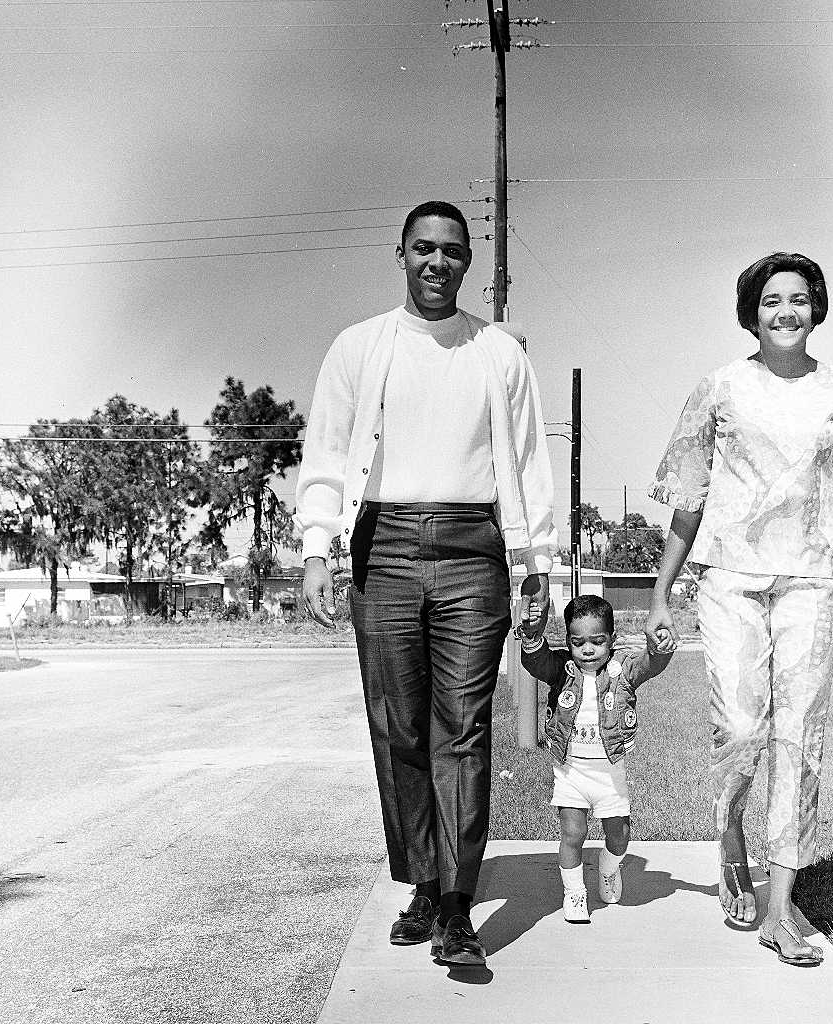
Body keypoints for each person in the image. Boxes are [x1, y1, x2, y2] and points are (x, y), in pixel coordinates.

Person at [296, 200, 556, 969]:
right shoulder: (359, 348)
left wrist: (533, 560)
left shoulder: (498, 353)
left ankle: (454, 906)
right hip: (383, 547)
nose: (437, 263)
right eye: (422, 249)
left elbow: (532, 463)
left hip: (475, 550)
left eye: (451, 251)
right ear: (400, 255)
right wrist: (317, 549)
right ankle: (421, 880)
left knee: (462, 728)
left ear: (469, 260)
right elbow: (327, 450)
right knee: (399, 727)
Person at [644, 252, 833, 967]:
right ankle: (730, 836)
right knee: (738, 724)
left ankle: (778, 905)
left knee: (799, 736)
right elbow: (689, 497)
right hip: (729, 577)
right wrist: (663, 592)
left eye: (798, 299)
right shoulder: (720, 388)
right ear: (750, 311)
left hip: (814, 583)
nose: (785, 312)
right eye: (770, 301)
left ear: (816, 307)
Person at [517, 595, 672, 923]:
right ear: (569, 641)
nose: (588, 649)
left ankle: (608, 870)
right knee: (572, 834)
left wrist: (659, 648)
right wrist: (531, 637)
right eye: (578, 642)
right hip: (571, 769)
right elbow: (536, 662)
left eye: (598, 641)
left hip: (610, 772)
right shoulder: (562, 669)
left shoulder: (622, 670)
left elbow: (649, 665)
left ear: (611, 640)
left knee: (620, 836)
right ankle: (574, 893)